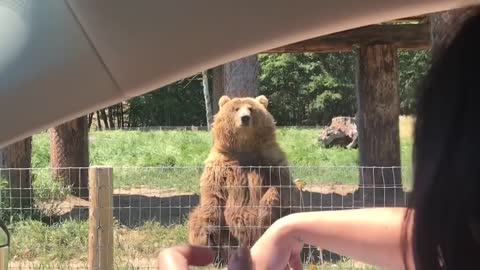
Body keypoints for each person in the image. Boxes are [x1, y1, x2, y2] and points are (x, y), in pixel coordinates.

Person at [157, 6, 480, 270]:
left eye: (251, 111)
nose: (245, 115)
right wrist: (291, 227)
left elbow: (441, 235)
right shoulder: (218, 160)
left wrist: (283, 221)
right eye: (239, 112)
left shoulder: (271, 153)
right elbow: (441, 236)